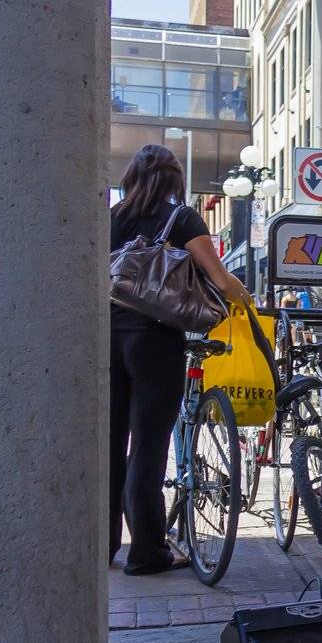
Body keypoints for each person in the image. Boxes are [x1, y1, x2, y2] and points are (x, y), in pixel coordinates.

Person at [109, 145, 249, 574]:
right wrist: (246, 298)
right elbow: (218, 277)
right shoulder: (181, 218)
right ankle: (147, 552)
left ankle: (103, 545)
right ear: (173, 180)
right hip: (154, 339)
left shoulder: (110, 217)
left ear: (132, 177)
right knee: (148, 449)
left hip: (105, 338)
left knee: (110, 447)